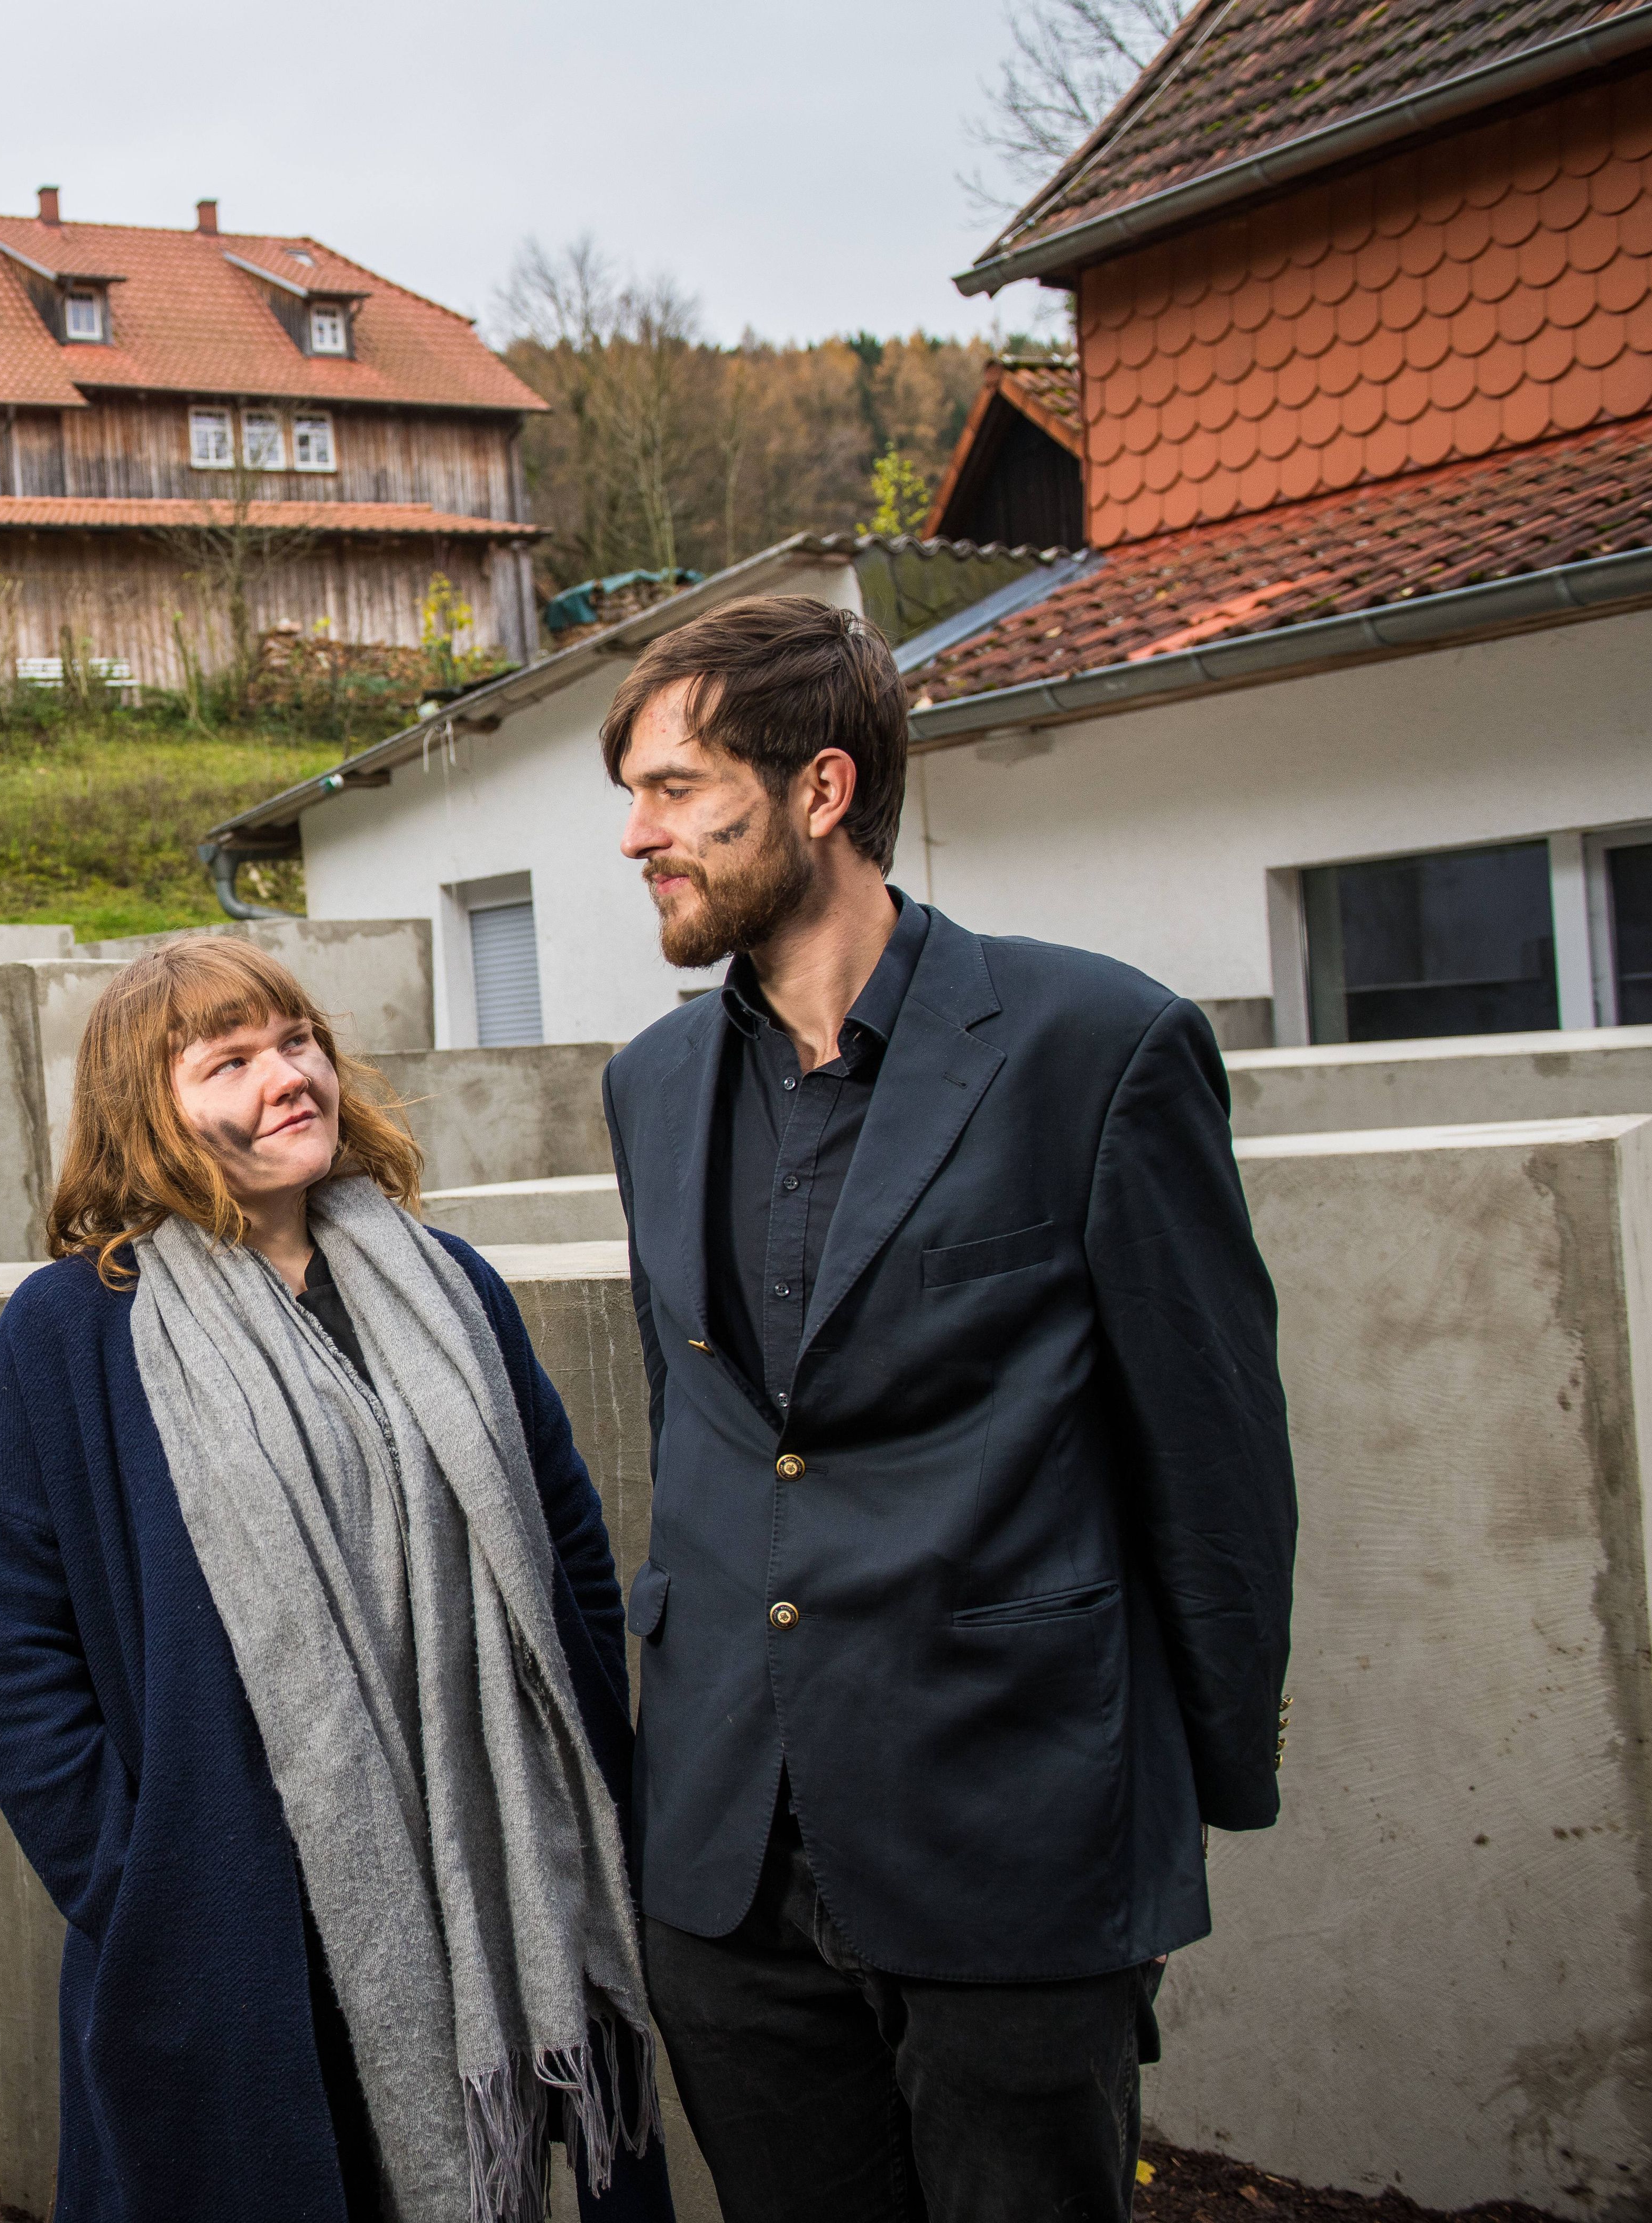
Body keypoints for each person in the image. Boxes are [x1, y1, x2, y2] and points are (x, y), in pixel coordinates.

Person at [595, 596, 1297, 2223]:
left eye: (676, 789)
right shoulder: (650, 1088)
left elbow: (1217, 1460)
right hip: (726, 1860)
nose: (638, 838)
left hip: (1016, 1836)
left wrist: (1178, 1797)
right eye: (630, 795)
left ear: (821, 791)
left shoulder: (1097, 1044)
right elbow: (696, 1431)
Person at [0, 938, 674, 2223]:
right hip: (232, 1918)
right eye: (231, 1061)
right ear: (145, 1115)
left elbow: (564, 1543)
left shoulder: (449, 1290)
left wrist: (583, 1767)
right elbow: (6, 1636)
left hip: (479, 1874)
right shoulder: (75, 1330)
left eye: (299, 1042)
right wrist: (134, 1874)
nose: (291, 1077)